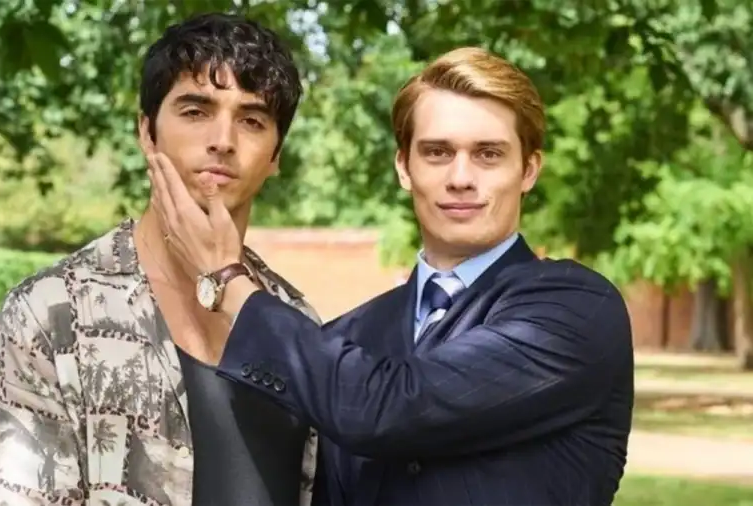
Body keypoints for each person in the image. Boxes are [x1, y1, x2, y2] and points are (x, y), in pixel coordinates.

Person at [149, 46, 635, 505]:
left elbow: (389, 407)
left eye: (488, 154)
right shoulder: (349, 335)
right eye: (437, 152)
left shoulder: (577, 310)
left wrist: (228, 278)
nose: (461, 178)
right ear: (404, 167)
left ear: (528, 170)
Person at [0, 13, 324, 506]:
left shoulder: (295, 323)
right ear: (147, 132)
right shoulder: (52, 313)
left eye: (252, 120)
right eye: (195, 111)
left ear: (276, 155)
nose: (223, 140)